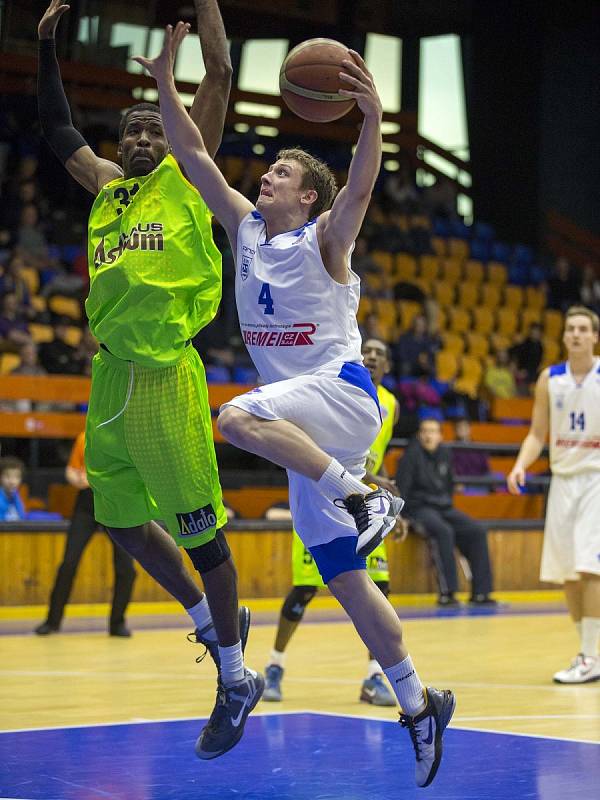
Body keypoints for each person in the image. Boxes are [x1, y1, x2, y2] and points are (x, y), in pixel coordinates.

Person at [138, 23, 454, 788]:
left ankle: (362, 495)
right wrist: (166, 82)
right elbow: (192, 155)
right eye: (271, 170)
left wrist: (375, 121)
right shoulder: (245, 227)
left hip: (342, 399)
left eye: (281, 170)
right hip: (303, 419)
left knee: (235, 417)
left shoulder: (325, 238)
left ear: (307, 194)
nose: (268, 175)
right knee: (345, 577)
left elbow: (362, 188)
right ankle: (420, 704)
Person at [37, 0, 259, 761]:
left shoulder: (186, 177)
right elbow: (58, 132)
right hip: (109, 380)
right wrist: (43, 49)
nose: (138, 137)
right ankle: (210, 621)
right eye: (129, 129)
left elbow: (222, 70)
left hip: (166, 377)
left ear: (173, 138)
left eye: (151, 127)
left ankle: (234, 677)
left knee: (203, 536)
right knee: (119, 519)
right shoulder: (104, 188)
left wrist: (203, 8)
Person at [263, 338, 402, 707]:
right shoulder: (327, 389)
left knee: (380, 590)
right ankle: (275, 665)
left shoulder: (390, 404)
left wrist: (389, 492)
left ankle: (374, 677)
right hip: (322, 498)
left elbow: (378, 456)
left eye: (380, 353)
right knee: (305, 590)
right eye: (366, 351)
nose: (372, 356)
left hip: (368, 505)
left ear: (387, 366)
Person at [508, 305, 600, 684]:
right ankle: (588, 652)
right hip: (562, 480)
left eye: (583, 329)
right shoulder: (550, 379)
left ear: (595, 337)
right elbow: (536, 433)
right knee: (568, 574)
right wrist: (519, 465)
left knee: (589, 565)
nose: (576, 334)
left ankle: (590, 656)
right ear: (563, 336)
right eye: (570, 328)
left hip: (596, 477)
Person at [34, 432, 136, 637]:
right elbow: (72, 471)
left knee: (126, 567)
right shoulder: (85, 437)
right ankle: (52, 621)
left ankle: (117, 623)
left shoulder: (127, 438)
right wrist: (81, 480)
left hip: (116, 504)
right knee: (69, 562)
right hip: (87, 505)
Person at [396, 418, 496, 607]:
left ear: (440, 436)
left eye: (433, 431)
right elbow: (402, 490)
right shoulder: (410, 456)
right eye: (425, 431)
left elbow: (449, 485)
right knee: (443, 532)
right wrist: (403, 516)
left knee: (476, 531)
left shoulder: (445, 454)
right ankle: (447, 593)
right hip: (419, 508)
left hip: (444, 507)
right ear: (419, 435)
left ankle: (481, 594)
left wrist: (446, 504)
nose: (428, 435)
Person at [0, 456, 26, 521]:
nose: (12, 481)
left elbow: (22, 517)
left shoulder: (16, 494)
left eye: (17, 477)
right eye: (7, 476)